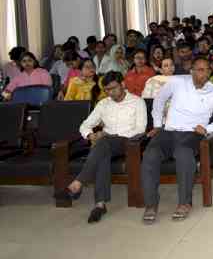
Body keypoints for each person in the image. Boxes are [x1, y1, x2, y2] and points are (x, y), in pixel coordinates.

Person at [141, 58, 213, 224]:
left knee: (183, 153)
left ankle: (184, 202)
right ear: (191, 71)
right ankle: (151, 204)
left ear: (210, 72)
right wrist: (158, 125)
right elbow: (159, 100)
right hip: (169, 130)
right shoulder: (177, 82)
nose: (201, 73)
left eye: (205, 70)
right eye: (198, 70)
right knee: (150, 154)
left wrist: (207, 129)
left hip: (192, 133)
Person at [54, 71, 147, 224]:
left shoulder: (137, 102)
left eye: (114, 88)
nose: (111, 93)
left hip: (129, 143)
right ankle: (100, 204)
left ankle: (78, 183)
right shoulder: (103, 104)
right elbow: (85, 125)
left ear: (122, 84)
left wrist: (111, 135)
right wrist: (90, 135)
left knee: (102, 143)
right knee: (101, 152)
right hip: (106, 144)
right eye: (107, 90)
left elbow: (140, 129)